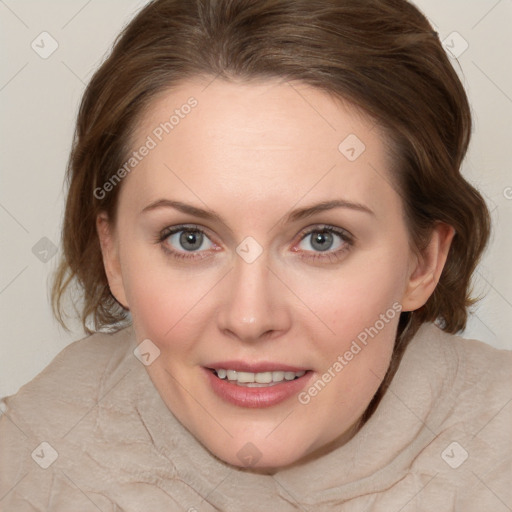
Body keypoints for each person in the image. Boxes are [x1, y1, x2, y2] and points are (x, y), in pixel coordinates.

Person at [1, 0, 510, 510]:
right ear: (114, 257)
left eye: (322, 239)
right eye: (189, 238)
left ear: (422, 260)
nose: (250, 317)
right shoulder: (25, 470)